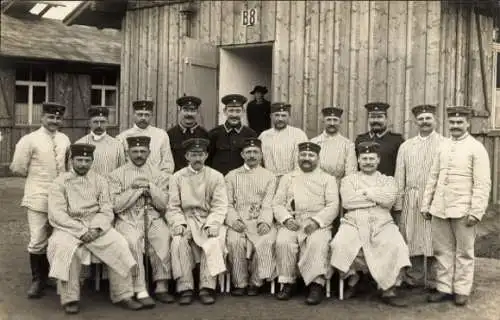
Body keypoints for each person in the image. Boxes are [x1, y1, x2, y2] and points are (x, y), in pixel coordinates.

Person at [47, 144, 142, 314]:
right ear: (71, 161)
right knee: (66, 249)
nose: (83, 164)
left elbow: (106, 209)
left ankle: (123, 294)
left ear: (92, 161)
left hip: (96, 226)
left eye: (87, 160)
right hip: (68, 227)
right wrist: (81, 231)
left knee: (120, 243)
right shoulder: (59, 182)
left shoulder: (100, 180)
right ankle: (70, 298)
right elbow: (57, 214)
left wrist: (96, 229)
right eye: (79, 160)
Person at [422, 106, 491, 306]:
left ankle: (461, 289)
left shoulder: (476, 148)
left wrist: (476, 211)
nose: (455, 126)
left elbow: (482, 183)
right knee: (442, 250)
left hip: (463, 209)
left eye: (460, 122)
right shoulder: (442, 146)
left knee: (465, 251)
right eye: (452, 122)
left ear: (468, 123)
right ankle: (444, 287)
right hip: (440, 208)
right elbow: (433, 177)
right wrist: (427, 204)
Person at [330, 141, 411, 307]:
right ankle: (353, 278)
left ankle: (388, 287)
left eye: (371, 158)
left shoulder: (387, 180)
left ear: (378, 160)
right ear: (358, 160)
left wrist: (365, 193)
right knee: (340, 244)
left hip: (381, 222)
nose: (368, 162)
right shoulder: (348, 180)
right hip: (353, 221)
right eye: (364, 158)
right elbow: (348, 202)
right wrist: (376, 198)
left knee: (397, 245)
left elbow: (389, 200)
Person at [10, 102, 71, 299]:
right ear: (42, 118)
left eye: (58, 118)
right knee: (37, 239)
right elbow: (17, 167)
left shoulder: (64, 139)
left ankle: (52, 276)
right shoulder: (29, 139)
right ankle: (38, 280)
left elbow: (68, 167)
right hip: (37, 196)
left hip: (60, 199)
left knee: (56, 238)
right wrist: (37, 180)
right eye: (50, 117)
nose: (54, 121)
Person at [108, 136, 173, 308]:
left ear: (149, 152)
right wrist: (134, 191)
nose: (139, 155)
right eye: (135, 151)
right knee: (132, 241)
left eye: (142, 151)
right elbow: (116, 206)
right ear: (128, 152)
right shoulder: (116, 175)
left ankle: (161, 285)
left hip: (152, 216)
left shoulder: (159, 175)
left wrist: (151, 188)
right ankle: (140, 289)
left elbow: (164, 204)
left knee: (163, 236)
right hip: (127, 218)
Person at [273, 142, 338, 305]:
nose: (306, 158)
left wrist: (317, 222)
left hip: (316, 222)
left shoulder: (327, 179)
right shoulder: (288, 178)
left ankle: (316, 284)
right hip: (293, 220)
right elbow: (277, 203)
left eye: (311, 155)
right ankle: (288, 282)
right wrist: (287, 219)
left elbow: (333, 205)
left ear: (317, 158)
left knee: (317, 242)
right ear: (298, 157)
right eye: (303, 155)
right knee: (283, 241)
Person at [168, 138, 228, 305]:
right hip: (186, 219)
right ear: (187, 156)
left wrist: (213, 224)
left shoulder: (216, 176)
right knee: (178, 242)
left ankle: (207, 287)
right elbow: (172, 206)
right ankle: (185, 287)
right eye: (193, 155)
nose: (197, 159)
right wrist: (178, 223)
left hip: (207, 219)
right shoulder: (177, 177)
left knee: (213, 241)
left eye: (200, 155)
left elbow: (220, 205)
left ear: (206, 155)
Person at [393, 104, 445, 288]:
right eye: (421, 119)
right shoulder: (406, 146)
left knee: (434, 238)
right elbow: (400, 176)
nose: (424, 122)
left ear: (435, 120)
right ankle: (414, 277)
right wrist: (398, 204)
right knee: (412, 236)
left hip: (435, 198)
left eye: (428, 118)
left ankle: (433, 280)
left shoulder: (444, 144)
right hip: (412, 197)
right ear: (416, 122)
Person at [225, 138, 277, 296]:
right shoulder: (231, 176)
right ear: (242, 154)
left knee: (266, 240)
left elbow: (269, 204)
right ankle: (240, 282)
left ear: (261, 155)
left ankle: (256, 281)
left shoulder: (269, 176)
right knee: (234, 241)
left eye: (255, 152)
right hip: (239, 219)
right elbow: (226, 204)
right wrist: (234, 220)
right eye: (248, 152)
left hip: (260, 218)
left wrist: (265, 222)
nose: (252, 155)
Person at [116, 100, 174, 173]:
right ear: (134, 115)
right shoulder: (122, 137)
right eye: (140, 114)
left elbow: (167, 163)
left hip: (156, 180)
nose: (143, 118)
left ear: (151, 116)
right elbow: (120, 164)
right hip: (130, 179)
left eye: (147, 115)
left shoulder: (161, 135)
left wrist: (159, 180)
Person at [207, 94, 257, 176]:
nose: (234, 115)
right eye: (231, 111)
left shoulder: (250, 134)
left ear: (243, 111)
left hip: (242, 180)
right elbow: (208, 160)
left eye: (238, 111)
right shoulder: (214, 133)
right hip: (220, 180)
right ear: (224, 111)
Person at [259, 103, 308, 182]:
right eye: (277, 115)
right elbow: (259, 161)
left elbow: (302, 161)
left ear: (289, 117)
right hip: (269, 180)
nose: (280, 119)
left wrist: (290, 179)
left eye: (283, 115)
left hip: (292, 180)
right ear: (271, 116)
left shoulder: (299, 134)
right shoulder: (264, 136)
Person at [355, 102, 404, 177]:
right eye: (372, 117)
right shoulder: (360, 140)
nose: (376, 120)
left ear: (386, 119)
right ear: (368, 119)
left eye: (379, 117)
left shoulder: (397, 140)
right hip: (363, 186)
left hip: (387, 185)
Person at [75, 106, 126, 175]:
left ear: (107, 123)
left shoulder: (117, 145)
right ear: (89, 123)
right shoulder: (79, 144)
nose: (99, 125)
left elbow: (122, 171)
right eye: (95, 122)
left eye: (102, 122)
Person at [310, 107, 357, 181]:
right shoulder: (314, 143)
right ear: (323, 121)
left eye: (335, 120)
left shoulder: (348, 145)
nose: (332, 123)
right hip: (317, 186)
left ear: (340, 121)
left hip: (338, 187)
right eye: (328, 120)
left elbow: (351, 173)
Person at [167, 96, 209, 172]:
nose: (189, 114)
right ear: (179, 111)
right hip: (177, 179)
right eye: (185, 110)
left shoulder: (204, 134)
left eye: (192, 110)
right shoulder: (170, 134)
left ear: (197, 112)